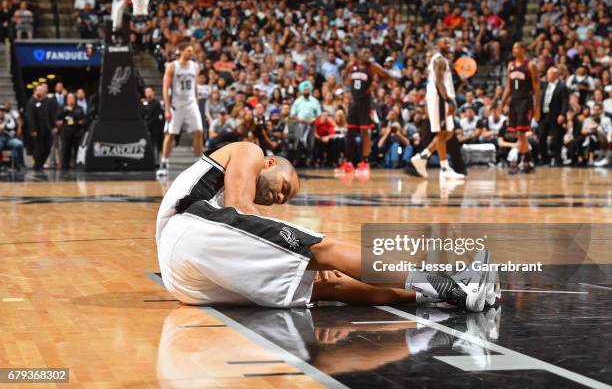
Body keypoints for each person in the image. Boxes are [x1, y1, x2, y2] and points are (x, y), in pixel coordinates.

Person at [156, 142, 498, 312]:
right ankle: (456, 286)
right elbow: (238, 208)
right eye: (284, 188)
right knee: (325, 250)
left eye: (282, 199)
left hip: (189, 281)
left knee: (328, 287)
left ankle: (437, 296)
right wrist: (307, 251)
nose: (277, 197)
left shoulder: (228, 219)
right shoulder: (251, 151)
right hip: (186, 229)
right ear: (271, 163)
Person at [410, 38, 466, 180]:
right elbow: (438, 82)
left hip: (441, 98)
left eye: (450, 42)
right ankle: (444, 168)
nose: (449, 44)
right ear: (438, 45)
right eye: (445, 42)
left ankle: (423, 156)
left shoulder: (442, 60)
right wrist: (448, 100)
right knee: (443, 132)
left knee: (448, 133)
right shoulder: (439, 60)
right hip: (440, 99)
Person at [341, 49, 394, 174]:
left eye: (369, 54)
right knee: (350, 132)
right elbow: (344, 77)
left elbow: (388, 76)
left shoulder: (373, 67)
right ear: (359, 55)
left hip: (365, 102)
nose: (367, 55)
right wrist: (347, 86)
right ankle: (348, 163)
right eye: (364, 53)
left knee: (365, 131)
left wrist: (376, 84)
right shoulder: (352, 65)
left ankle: (364, 162)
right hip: (353, 102)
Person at [158, 42, 204, 177]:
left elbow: (195, 84)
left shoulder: (195, 66)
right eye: (189, 51)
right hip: (176, 104)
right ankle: (164, 163)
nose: (192, 53)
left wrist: (196, 97)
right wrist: (167, 108)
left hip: (191, 103)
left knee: (199, 132)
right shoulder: (172, 66)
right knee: (170, 134)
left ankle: (199, 163)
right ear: (182, 51)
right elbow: (165, 88)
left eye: (192, 51)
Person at [500, 41, 541, 174]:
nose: (514, 50)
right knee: (519, 133)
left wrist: (537, 106)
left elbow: (536, 87)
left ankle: (517, 162)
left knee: (522, 133)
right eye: (513, 48)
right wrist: (502, 103)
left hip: (526, 101)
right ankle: (528, 161)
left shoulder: (530, 65)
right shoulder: (510, 65)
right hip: (514, 101)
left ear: (523, 50)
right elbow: (508, 87)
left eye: (516, 48)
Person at [538, 67, 569, 166]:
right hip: (543, 115)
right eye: (547, 74)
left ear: (555, 75)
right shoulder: (544, 85)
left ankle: (557, 159)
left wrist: (562, 114)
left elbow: (565, 102)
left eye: (549, 74)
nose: (547, 76)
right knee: (541, 136)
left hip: (556, 115)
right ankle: (544, 159)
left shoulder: (562, 86)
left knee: (557, 138)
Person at [25, 85, 53, 171]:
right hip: (37, 130)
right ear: (35, 91)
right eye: (39, 90)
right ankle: (37, 166)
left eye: (42, 90)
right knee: (38, 149)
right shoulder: (31, 103)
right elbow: (29, 117)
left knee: (48, 147)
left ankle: (41, 163)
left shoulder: (44, 101)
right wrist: (32, 129)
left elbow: (48, 115)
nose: (41, 92)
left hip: (46, 129)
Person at [55, 93, 86, 171]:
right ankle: (64, 167)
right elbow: (58, 116)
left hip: (76, 132)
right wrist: (66, 110)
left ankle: (77, 166)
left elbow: (80, 117)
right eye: (69, 98)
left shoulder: (79, 108)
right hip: (66, 132)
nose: (70, 100)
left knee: (76, 150)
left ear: (75, 99)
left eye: (72, 98)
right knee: (65, 150)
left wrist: (71, 111)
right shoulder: (62, 107)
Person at [140, 87, 165, 164]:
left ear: (153, 92)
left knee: (157, 145)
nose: (148, 93)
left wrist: (146, 124)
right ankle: (149, 161)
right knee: (149, 145)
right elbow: (142, 114)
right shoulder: (144, 103)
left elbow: (156, 116)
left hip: (156, 128)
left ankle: (157, 162)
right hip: (147, 128)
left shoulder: (157, 103)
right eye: (146, 92)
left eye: (150, 91)